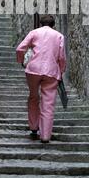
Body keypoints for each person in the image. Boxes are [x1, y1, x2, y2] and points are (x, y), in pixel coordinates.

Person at [16, 15, 66, 143]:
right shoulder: (59, 36)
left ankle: (33, 127)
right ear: (53, 24)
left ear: (40, 23)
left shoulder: (34, 33)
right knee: (48, 104)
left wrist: (21, 61)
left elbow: (20, 48)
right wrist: (61, 70)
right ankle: (45, 136)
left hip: (33, 70)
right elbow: (61, 57)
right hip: (51, 72)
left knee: (33, 97)